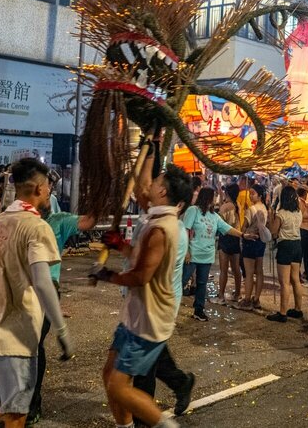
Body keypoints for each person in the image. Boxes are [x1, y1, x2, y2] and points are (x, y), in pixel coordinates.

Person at [0, 158, 73, 428]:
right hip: (16, 335)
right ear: (38, 189)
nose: (49, 191)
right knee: (15, 415)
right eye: (48, 187)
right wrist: (61, 330)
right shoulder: (37, 227)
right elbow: (42, 281)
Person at [93, 149, 191, 428]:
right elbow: (139, 255)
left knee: (120, 387)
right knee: (110, 376)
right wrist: (120, 245)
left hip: (149, 320)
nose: (149, 185)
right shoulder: (154, 219)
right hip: (134, 315)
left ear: (163, 193)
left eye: (157, 182)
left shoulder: (163, 228)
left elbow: (141, 276)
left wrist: (107, 275)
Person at [26, 172, 97, 424]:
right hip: (20, 291)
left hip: (46, 290)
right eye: (46, 187)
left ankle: (32, 404)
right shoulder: (18, 220)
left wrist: (100, 193)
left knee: (34, 346)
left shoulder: (58, 221)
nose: (50, 192)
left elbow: (88, 222)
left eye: (51, 187)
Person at [182, 187, 243, 321]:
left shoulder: (214, 216)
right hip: (193, 254)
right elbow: (185, 229)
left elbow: (227, 228)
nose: (216, 199)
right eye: (214, 196)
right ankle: (168, 308)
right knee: (181, 281)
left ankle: (199, 310)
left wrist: (242, 235)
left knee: (202, 283)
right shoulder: (193, 210)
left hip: (207, 255)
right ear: (207, 198)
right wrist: (186, 250)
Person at [267, 185, 304, 323]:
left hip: (285, 246)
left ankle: (282, 313)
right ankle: (298, 309)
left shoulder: (281, 214)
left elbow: (273, 232)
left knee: (284, 283)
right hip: (297, 245)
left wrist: (271, 218)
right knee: (295, 279)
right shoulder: (298, 212)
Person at [235, 183, 269, 311]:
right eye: (250, 193)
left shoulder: (251, 209)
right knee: (259, 271)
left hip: (250, 241)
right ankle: (256, 299)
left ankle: (247, 299)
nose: (250, 195)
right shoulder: (265, 209)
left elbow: (244, 227)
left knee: (249, 273)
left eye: (253, 193)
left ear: (259, 195)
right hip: (261, 241)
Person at [213, 183, 242, 305]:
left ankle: (221, 296)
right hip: (235, 237)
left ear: (227, 193)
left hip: (225, 238)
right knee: (236, 269)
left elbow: (219, 222)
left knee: (223, 269)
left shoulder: (225, 207)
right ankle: (237, 294)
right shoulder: (237, 205)